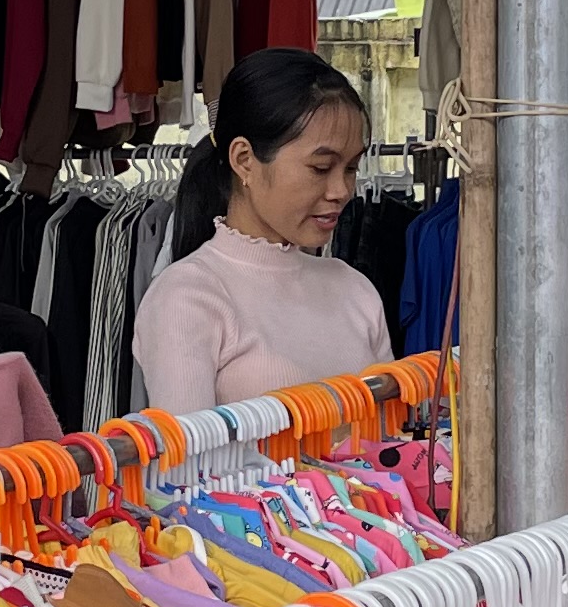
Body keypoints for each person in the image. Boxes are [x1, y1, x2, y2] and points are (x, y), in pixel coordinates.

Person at [132, 44, 393, 410]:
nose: (341, 191)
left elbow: (392, 446)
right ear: (244, 160)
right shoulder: (186, 299)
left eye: (350, 168)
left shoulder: (354, 290)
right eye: (320, 168)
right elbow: (187, 463)